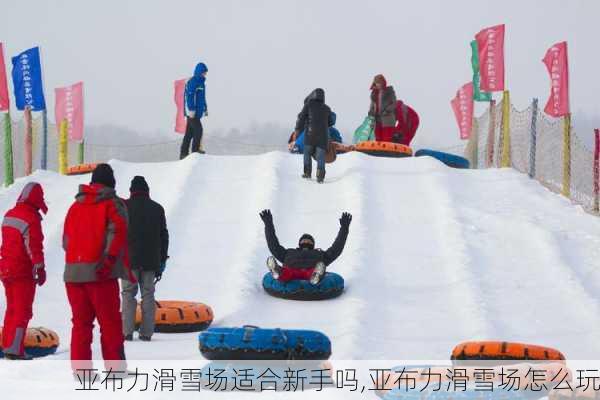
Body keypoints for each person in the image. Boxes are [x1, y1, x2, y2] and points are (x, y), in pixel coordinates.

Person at [63, 163, 131, 373]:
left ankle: (81, 372)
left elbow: (66, 241)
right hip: (101, 274)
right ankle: (115, 370)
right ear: (111, 183)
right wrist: (108, 261)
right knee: (109, 324)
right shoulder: (112, 204)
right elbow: (118, 232)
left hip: (73, 275)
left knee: (81, 325)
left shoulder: (75, 207)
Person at [0, 182, 47, 360]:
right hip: (21, 272)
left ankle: (8, 345)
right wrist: (40, 268)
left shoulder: (9, 214)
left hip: (5, 269)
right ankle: (14, 350)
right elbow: (33, 247)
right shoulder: (30, 218)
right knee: (22, 310)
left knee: (11, 309)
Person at [121, 176, 169, 342]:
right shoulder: (157, 208)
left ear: (131, 191)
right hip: (150, 260)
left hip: (128, 260)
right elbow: (164, 236)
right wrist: (162, 260)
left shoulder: (124, 207)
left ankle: (127, 331)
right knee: (148, 295)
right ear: (147, 191)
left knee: (128, 293)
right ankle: (146, 333)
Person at [259, 209, 351, 285]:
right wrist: (268, 224)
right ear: (299, 243)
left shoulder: (319, 254)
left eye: (309, 240)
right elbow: (273, 245)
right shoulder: (289, 252)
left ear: (313, 244)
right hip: (291, 269)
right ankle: (277, 271)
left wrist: (344, 228)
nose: (306, 241)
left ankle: (317, 275)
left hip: (311, 270)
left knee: (315, 270)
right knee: (286, 272)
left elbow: (336, 249)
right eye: (304, 240)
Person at [293, 88, 335, 183]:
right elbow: (331, 122)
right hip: (322, 136)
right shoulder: (327, 108)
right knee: (321, 157)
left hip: (310, 134)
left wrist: (298, 130)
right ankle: (320, 177)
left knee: (307, 153)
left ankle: (307, 173)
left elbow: (301, 118)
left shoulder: (308, 105)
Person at [180, 62, 208, 159]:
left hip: (197, 112)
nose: (205, 74)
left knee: (189, 133)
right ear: (199, 72)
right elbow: (190, 96)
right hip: (192, 112)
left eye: (205, 73)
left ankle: (183, 153)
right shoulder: (194, 81)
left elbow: (201, 98)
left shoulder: (201, 82)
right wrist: (191, 110)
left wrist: (204, 108)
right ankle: (195, 151)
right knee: (198, 130)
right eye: (204, 72)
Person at [368, 74, 397, 142]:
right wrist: (370, 112)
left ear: (383, 82)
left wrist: (387, 110)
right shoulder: (374, 93)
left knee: (386, 138)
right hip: (377, 119)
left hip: (387, 118)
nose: (378, 84)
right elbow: (372, 105)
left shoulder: (389, 91)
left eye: (379, 82)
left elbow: (394, 103)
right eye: (376, 82)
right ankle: (378, 151)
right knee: (378, 137)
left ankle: (387, 151)